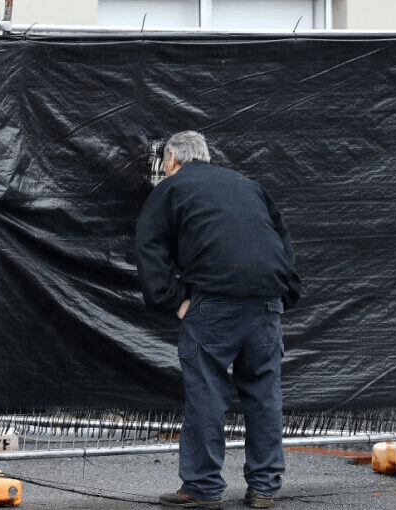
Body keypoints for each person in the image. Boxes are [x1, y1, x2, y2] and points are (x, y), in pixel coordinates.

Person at [135, 131, 300, 509]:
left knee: (207, 394)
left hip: (212, 305)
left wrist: (174, 301)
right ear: (207, 157)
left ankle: (202, 488)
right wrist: (285, 293)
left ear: (172, 158)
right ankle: (264, 488)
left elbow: (149, 246)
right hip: (265, 304)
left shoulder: (171, 189)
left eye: (163, 163)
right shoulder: (249, 186)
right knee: (263, 394)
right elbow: (282, 239)